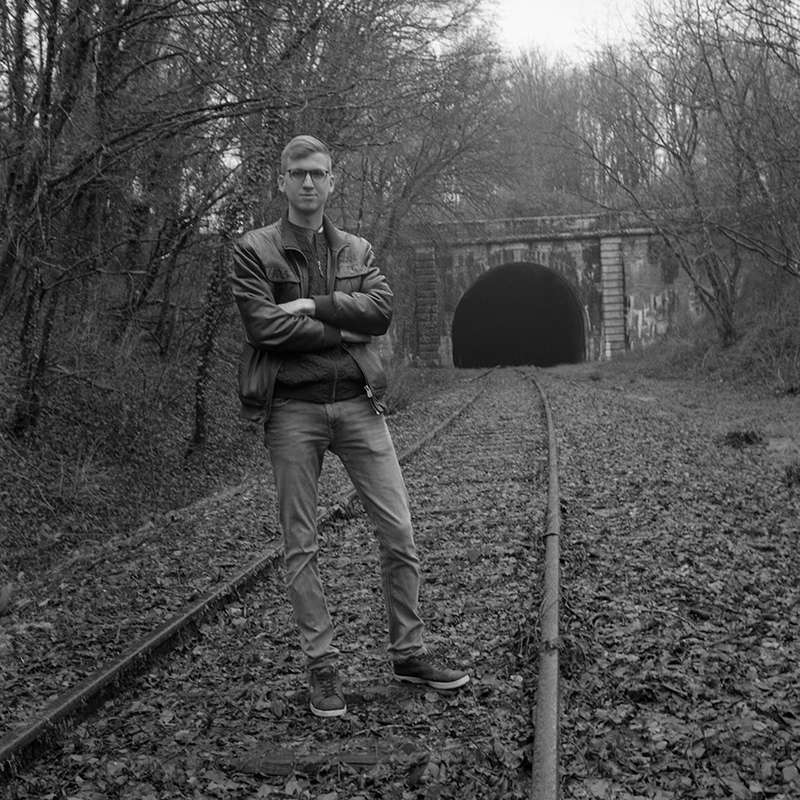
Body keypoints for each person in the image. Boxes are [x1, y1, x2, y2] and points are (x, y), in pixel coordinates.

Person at [230, 134, 469, 718]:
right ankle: (322, 668)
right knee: (300, 545)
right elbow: (264, 329)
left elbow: (382, 312)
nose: (308, 183)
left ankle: (408, 653)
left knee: (400, 534)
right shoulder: (253, 250)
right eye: (298, 173)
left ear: (332, 180)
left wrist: (312, 307)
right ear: (282, 181)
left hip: (358, 405)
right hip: (291, 410)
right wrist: (345, 322)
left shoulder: (357, 250)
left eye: (318, 173)